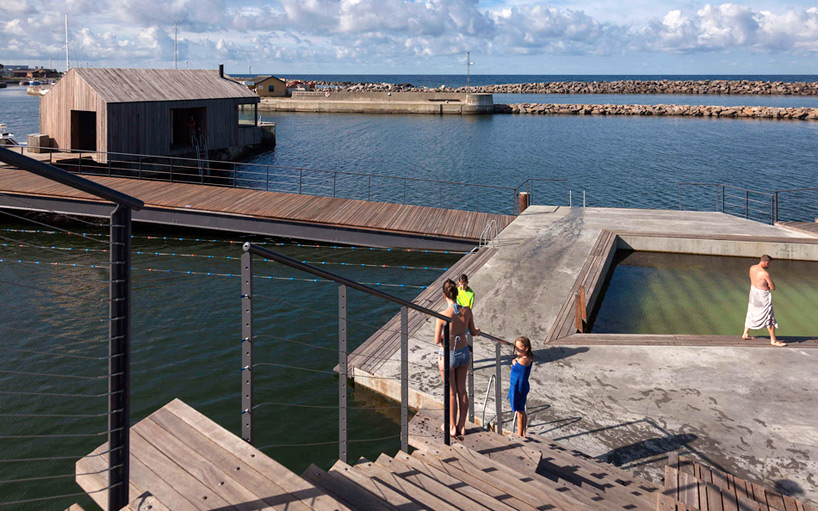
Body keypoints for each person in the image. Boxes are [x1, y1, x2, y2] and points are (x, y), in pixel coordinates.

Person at [434, 279, 480, 440]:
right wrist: (477, 331)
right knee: (462, 390)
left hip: (449, 355)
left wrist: (447, 337)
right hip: (464, 353)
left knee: (451, 392)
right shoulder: (467, 311)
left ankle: (451, 427)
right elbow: (473, 331)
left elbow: (436, 340)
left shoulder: (442, 316)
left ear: (444, 295)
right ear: (457, 293)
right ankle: (461, 426)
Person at [742, 254, 785, 346]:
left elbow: (752, 279)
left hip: (753, 292)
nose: (769, 266)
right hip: (762, 296)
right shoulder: (765, 274)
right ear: (765, 262)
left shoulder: (752, 268)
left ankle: (745, 333)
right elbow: (772, 287)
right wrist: (769, 285)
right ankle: (773, 340)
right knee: (769, 316)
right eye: (769, 264)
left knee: (751, 311)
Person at [508, 336, 533, 437]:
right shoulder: (526, 358)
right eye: (516, 347)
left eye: (519, 347)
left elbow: (517, 363)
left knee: (519, 412)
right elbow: (517, 361)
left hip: (519, 388)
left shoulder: (524, 360)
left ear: (526, 348)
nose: (517, 349)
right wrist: (516, 359)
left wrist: (515, 360)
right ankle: (523, 433)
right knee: (521, 410)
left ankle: (520, 434)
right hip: (520, 386)